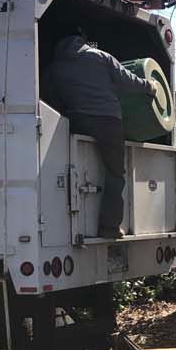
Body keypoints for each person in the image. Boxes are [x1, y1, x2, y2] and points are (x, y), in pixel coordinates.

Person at [47, 33, 155, 239]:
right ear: (82, 44)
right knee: (115, 172)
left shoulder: (55, 68)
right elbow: (127, 80)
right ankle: (109, 227)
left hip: (76, 120)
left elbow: (51, 97)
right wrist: (149, 86)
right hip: (107, 121)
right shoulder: (100, 57)